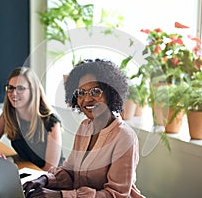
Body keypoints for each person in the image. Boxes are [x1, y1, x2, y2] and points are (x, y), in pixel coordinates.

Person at [23, 59, 145, 197]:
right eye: (81, 93)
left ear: (110, 93)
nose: (87, 99)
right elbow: (70, 172)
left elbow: (115, 195)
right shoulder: (84, 127)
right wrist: (44, 179)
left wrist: (60, 196)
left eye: (95, 91)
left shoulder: (124, 137)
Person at [0, 67, 64, 171]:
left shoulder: (51, 122)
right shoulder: (8, 115)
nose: (14, 93)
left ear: (33, 91)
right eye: (10, 88)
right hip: (26, 169)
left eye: (20, 88)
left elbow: (49, 170)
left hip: (51, 180)